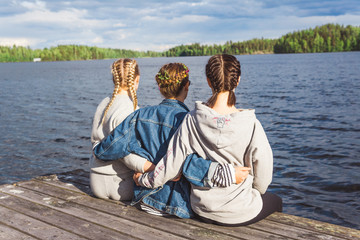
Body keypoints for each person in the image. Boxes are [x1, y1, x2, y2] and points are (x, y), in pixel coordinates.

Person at [134, 54, 282, 226]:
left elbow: (170, 166)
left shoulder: (191, 119)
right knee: (276, 201)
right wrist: (253, 191)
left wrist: (143, 180)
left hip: (201, 209)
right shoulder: (252, 124)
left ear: (209, 81)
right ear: (238, 80)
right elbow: (263, 177)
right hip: (240, 211)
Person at [93, 62, 250, 218]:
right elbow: (190, 164)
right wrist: (227, 173)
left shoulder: (140, 115)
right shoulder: (191, 121)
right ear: (186, 86)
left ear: (160, 87)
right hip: (178, 206)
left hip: (145, 200)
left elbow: (113, 145)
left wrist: (98, 150)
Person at [90, 58, 155, 201]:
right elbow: (126, 156)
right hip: (121, 185)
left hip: (96, 182)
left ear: (114, 79)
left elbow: (95, 141)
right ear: (136, 79)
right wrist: (153, 168)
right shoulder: (131, 110)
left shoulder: (103, 104)